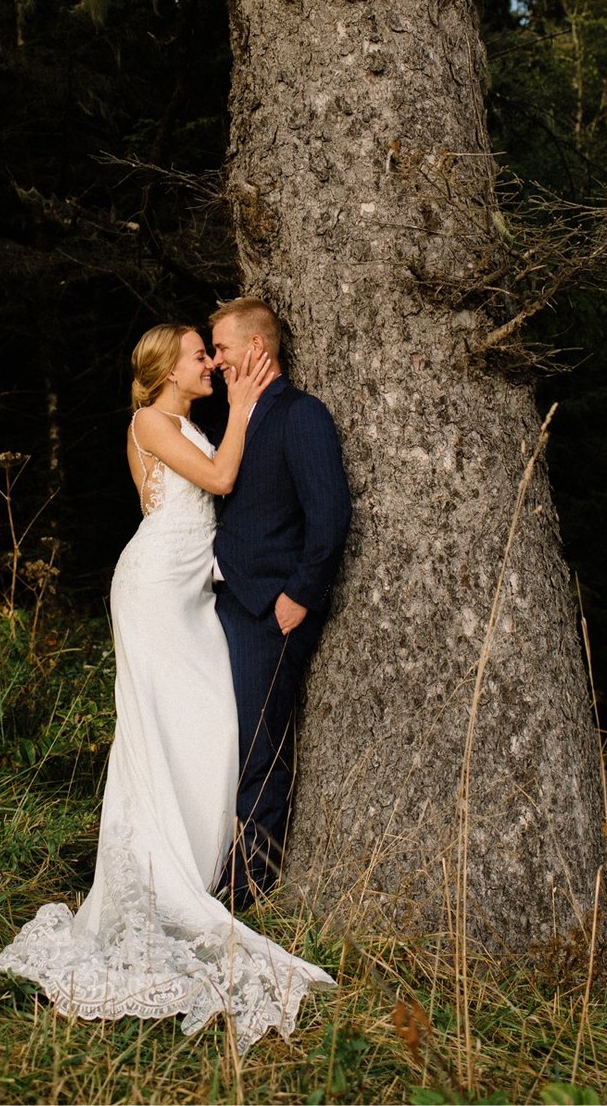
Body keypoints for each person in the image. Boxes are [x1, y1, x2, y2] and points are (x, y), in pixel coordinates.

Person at [0, 323, 333, 1046]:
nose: (210, 362)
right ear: (170, 369)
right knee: (159, 726)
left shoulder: (183, 421)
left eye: (212, 352)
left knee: (207, 724)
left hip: (192, 596)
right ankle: (160, 871)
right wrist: (245, 401)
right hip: (154, 590)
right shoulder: (149, 418)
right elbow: (221, 481)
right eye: (201, 354)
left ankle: (193, 861)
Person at [206, 295, 351, 905]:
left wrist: (300, 595)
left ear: (256, 350)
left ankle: (248, 890)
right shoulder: (234, 419)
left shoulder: (301, 415)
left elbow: (331, 513)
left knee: (259, 747)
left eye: (222, 349)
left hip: (270, 608)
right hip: (224, 606)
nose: (215, 362)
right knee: (228, 742)